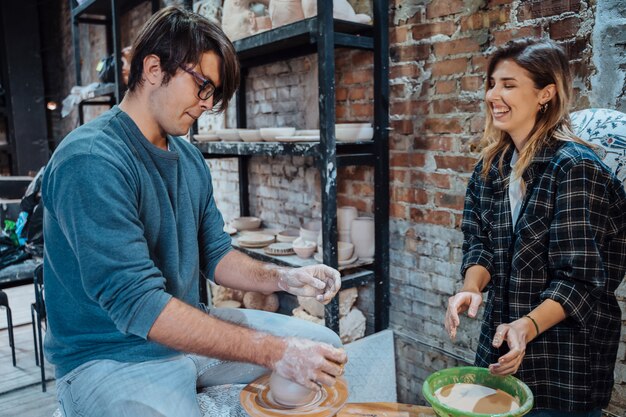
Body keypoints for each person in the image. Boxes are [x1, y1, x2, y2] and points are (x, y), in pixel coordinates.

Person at [42, 6, 347, 417]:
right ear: (153, 68)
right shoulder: (92, 160)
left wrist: (283, 278)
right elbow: (140, 305)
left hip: (181, 335)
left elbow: (216, 253)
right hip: (108, 355)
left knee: (325, 350)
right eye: (203, 86)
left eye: (213, 95)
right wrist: (276, 352)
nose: (206, 104)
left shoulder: (188, 159)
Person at [444, 37, 626, 416]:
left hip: (564, 359)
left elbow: (582, 279)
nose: (494, 94)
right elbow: (479, 244)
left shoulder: (574, 168)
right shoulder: (490, 167)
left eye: (509, 85)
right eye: (492, 83)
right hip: (502, 339)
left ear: (546, 93)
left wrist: (525, 327)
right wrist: (471, 289)